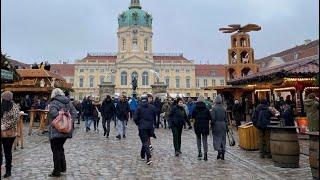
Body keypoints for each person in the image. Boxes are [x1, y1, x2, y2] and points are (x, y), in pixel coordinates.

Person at [47, 88, 77, 177]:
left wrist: (61, 117)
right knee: (60, 148)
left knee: (56, 150)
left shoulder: (53, 103)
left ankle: (56, 171)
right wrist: (69, 122)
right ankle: (62, 168)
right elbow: (74, 113)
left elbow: (53, 114)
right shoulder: (68, 102)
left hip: (57, 129)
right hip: (66, 129)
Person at [1, 91, 20, 178]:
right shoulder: (1, 105)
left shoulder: (15, 107)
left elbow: (15, 119)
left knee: (7, 152)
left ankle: (8, 171)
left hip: (10, 133)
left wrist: (5, 126)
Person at [134, 95, 157, 165]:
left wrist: (138, 123)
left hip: (142, 127)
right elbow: (154, 116)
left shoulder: (139, 108)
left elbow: (135, 118)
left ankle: (149, 157)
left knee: (145, 142)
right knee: (146, 141)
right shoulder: (152, 107)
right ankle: (142, 155)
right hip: (150, 126)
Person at [192, 96, 212, 161]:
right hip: (205, 126)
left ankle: (199, 152)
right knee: (205, 140)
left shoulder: (195, 109)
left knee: (198, 139)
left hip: (197, 126)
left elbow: (193, 117)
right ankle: (205, 154)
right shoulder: (206, 109)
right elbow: (210, 118)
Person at [211, 95, 228, 160]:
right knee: (223, 139)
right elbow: (226, 118)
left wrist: (212, 125)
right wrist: (226, 126)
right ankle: (223, 151)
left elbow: (213, 118)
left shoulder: (214, 108)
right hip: (223, 125)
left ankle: (219, 151)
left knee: (217, 139)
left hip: (216, 125)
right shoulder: (224, 108)